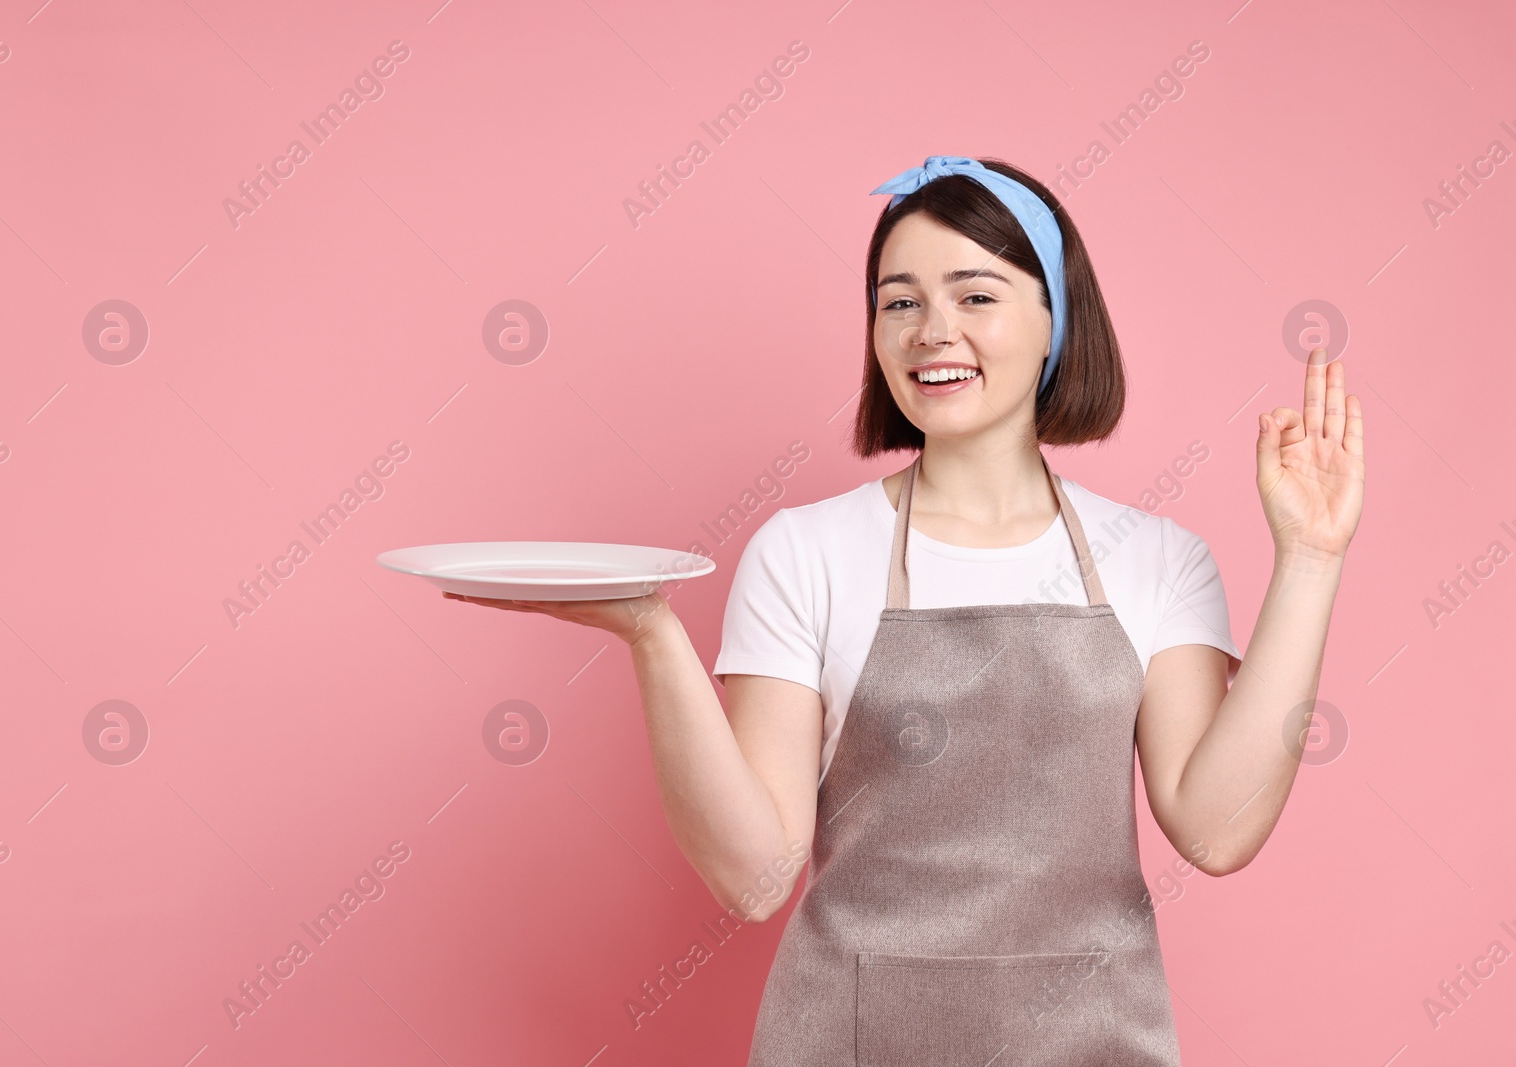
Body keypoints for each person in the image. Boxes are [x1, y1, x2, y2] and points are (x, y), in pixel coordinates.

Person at [442, 155, 1365, 1064]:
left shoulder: (1158, 560)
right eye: (900, 300)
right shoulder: (804, 551)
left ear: (1055, 322)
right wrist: (652, 634)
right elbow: (757, 878)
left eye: (975, 295)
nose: (932, 331)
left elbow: (1218, 827)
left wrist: (1311, 558)